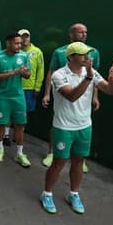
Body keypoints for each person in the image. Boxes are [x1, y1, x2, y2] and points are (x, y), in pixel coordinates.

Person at [40, 42, 113, 215]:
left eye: (88, 54)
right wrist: (89, 78)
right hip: (63, 127)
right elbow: (71, 96)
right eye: (83, 54)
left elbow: (110, 90)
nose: (87, 57)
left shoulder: (90, 72)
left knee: (79, 161)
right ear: (71, 57)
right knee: (58, 162)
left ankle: (74, 194)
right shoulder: (59, 75)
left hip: (85, 126)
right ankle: (47, 194)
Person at [41, 23, 100, 170]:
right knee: (57, 125)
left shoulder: (94, 53)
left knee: (82, 131)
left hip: (83, 101)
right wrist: (47, 93)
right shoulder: (59, 52)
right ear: (71, 34)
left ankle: (80, 159)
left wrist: (95, 97)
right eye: (80, 32)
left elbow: (95, 77)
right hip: (64, 96)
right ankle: (52, 152)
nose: (84, 35)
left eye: (85, 32)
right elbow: (51, 72)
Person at [0, 32, 32, 166]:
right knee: (1, 124)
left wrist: (25, 72)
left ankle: (20, 153)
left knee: (20, 125)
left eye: (20, 43)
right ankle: (0, 149)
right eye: (16, 43)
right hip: (2, 96)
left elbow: (27, 75)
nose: (19, 45)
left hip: (18, 96)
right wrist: (14, 72)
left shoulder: (24, 56)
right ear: (8, 43)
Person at [18, 29, 45, 120]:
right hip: (16, 87)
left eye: (27, 36)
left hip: (30, 88)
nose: (24, 39)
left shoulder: (37, 51)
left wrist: (37, 87)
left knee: (26, 113)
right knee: (15, 111)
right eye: (22, 37)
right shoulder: (15, 51)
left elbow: (40, 70)